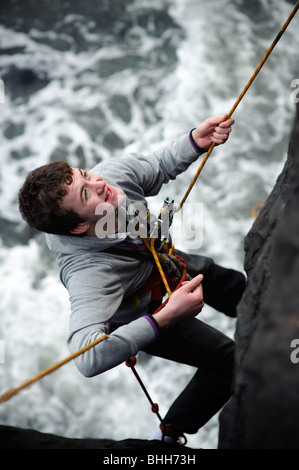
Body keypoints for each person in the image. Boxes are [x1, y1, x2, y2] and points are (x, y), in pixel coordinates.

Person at [18, 114, 246, 444]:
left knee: (224, 280)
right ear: (79, 227)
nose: (99, 184)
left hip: (163, 261)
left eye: (84, 174)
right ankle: (170, 435)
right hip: (148, 311)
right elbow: (86, 357)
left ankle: (270, 318)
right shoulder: (89, 273)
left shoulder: (110, 177)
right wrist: (167, 316)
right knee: (228, 362)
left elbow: (158, 165)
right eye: (86, 195)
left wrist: (196, 139)